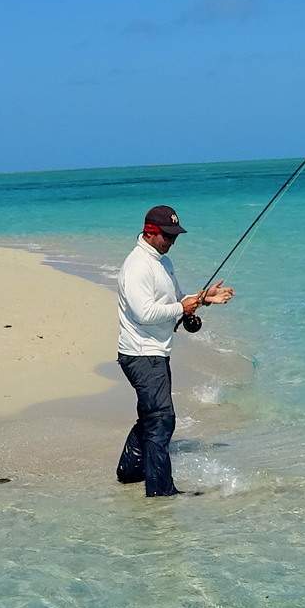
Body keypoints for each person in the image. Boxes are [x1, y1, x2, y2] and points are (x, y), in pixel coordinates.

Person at [115, 205, 234, 497]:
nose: (172, 242)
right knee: (161, 419)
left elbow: (176, 299)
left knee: (151, 415)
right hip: (141, 353)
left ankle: (130, 471)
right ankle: (161, 491)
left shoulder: (162, 262)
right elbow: (144, 313)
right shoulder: (137, 266)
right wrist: (181, 307)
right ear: (151, 232)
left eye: (175, 236)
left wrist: (202, 299)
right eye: (168, 236)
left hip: (155, 351)